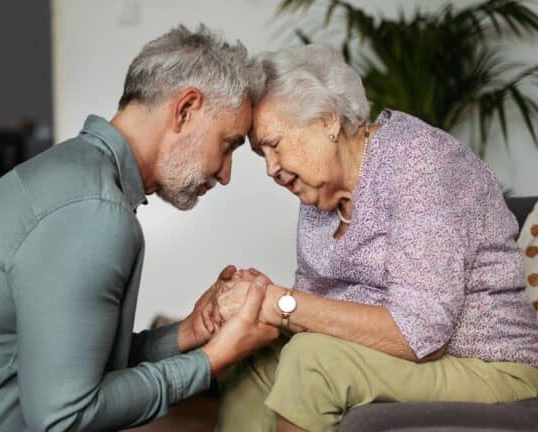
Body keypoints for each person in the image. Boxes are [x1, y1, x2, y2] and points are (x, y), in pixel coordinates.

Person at [0, 25, 279, 432]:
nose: (226, 173)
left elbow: (74, 367)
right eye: (229, 144)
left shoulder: (74, 178)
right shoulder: (92, 212)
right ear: (185, 110)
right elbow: (66, 417)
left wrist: (188, 334)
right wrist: (211, 361)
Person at [214, 44, 538, 432]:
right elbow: (311, 309)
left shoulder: (421, 164)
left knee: (312, 361)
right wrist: (257, 301)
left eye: (274, 145)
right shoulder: (321, 193)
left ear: (328, 121)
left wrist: (281, 302)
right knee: (255, 356)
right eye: (260, 154)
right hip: (404, 360)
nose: (271, 168)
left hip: (489, 366)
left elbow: (420, 334)